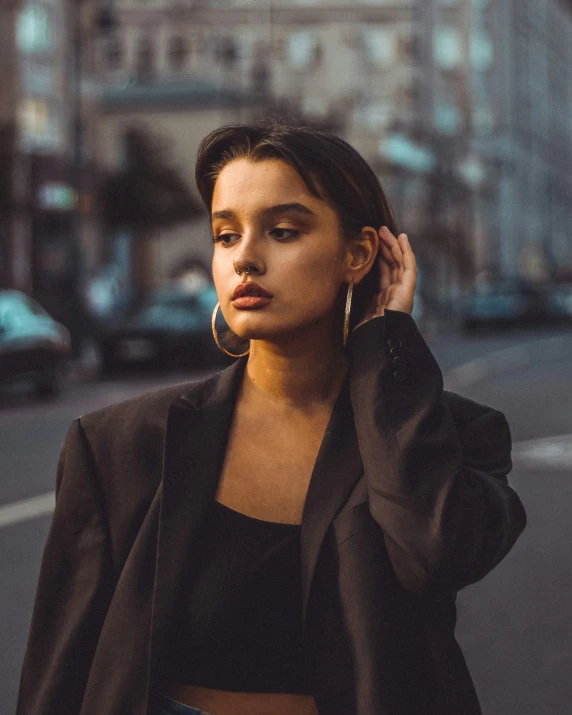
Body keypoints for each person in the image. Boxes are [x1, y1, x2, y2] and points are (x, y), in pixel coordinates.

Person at [16, 122, 527, 715]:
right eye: (225, 235)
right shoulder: (114, 447)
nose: (246, 259)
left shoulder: (450, 437)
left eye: (282, 232)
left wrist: (389, 351)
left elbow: (436, 555)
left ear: (358, 254)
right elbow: (58, 676)